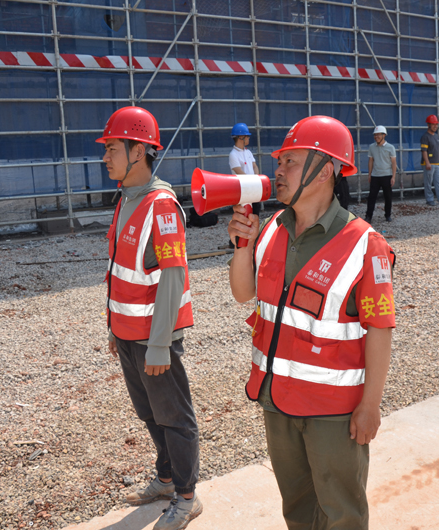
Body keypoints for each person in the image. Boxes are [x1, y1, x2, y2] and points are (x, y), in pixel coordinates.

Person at [226, 115, 396, 530]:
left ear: (325, 171)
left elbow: (381, 329)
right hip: (277, 400)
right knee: (298, 509)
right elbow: (243, 292)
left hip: (332, 414)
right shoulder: (272, 230)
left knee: (342, 513)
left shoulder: (365, 244)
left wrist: (370, 406)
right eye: (279, 161)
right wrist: (241, 247)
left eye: (290, 162)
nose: (277, 172)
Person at [99, 106, 202, 530]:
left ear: (138, 150)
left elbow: (173, 280)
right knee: (149, 414)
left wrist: (159, 343)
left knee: (175, 418)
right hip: (127, 335)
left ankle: (187, 496)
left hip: (152, 339)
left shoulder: (161, 206)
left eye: (111, 148)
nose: (105, 157)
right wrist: (112, 327)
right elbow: (118, 272)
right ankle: (165, 479)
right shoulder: (127, 200)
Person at [366, 125, 397, 223]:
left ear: (384, 135)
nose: (376, 137)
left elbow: (393, 163)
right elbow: (371, 161)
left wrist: (393, 177)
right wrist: (369, 174)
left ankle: (387, 215)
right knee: (371, 197)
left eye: (378, 135)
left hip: (387, 175)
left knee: (388, 197)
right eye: (375, 135)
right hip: (375, 176)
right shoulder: (372, 147)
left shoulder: (390, 147)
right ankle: (368, 216)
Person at [421, 114, 439, 205]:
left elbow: (438, 150)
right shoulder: (425, 137)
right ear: (428, 125)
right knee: (428, 182)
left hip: (436, 163)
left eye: (436, 124)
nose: (435, 126)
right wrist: (427, 163)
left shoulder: (436, 136)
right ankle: (429, 199)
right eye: (433, 124)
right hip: (429, 163)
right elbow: (424, 151)